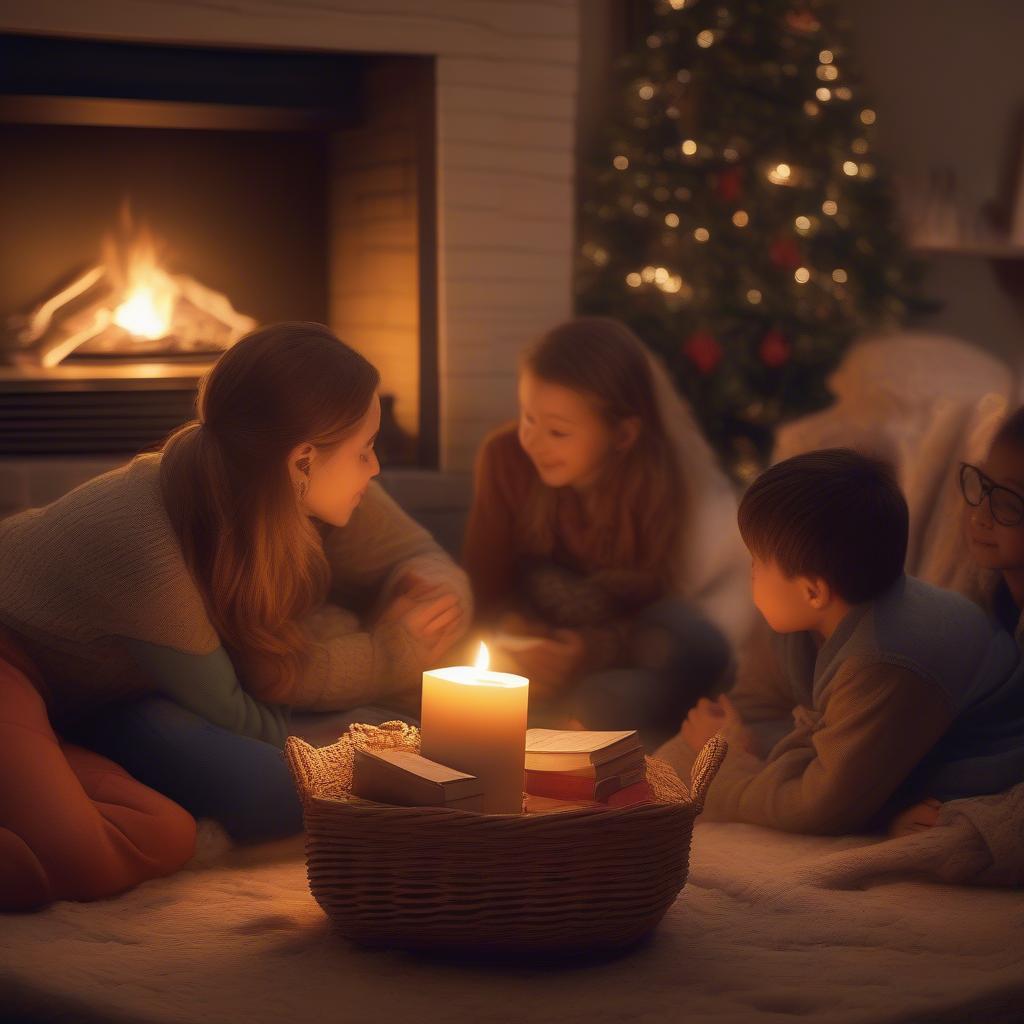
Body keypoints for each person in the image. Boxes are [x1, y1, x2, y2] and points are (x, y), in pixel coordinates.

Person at [0, 322, 469, 910]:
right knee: (85, 862)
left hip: (96, 701)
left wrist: (407, 631)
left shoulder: (278, 480)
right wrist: (378, 684)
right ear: (303, 462)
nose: (375, 468)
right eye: (365, 450)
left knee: (168, 832)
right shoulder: (145, 547)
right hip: (11, 667)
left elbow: (420, 559)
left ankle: (43, 772)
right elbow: (248, 718)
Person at [662, 448, 1024, 835]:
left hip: (973, 761)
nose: (750, 571)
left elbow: (817, 807)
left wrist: (724, 761)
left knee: (711, 773)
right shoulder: (799, 619)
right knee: (675, 759)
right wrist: (727, 736)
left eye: (758, 561)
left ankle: (875, 809)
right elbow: (757, 705)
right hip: (881, 741)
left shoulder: (883, 659)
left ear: (813, 592)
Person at [462, 317, 752, 750]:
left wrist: (589, 651)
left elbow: (661, 616)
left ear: (622, 434)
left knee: (665, 654)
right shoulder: (505, 459)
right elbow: (482, 589)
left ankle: (680, 706)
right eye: (527, 417)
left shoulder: (661, 484)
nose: (533, 442)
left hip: (632, 653)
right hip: (539, 650)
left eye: (558, 431)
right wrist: (513, 636)